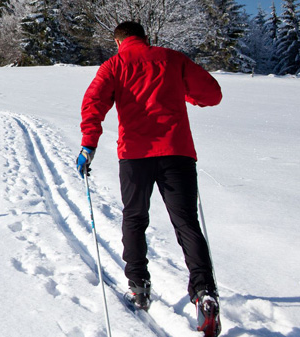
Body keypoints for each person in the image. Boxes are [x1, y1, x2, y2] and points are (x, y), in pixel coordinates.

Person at [75, 21, 223, 336]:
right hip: (177, 153)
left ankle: (139, 286)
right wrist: (185, 93)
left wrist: (89, 145)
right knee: (186, 223)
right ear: (146, 37)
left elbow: (94, 104)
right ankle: (205, 293)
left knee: (134, 217)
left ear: (118, 42)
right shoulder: (172, 58)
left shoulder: (113, 66)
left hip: (135, 157)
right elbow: (212, 93)